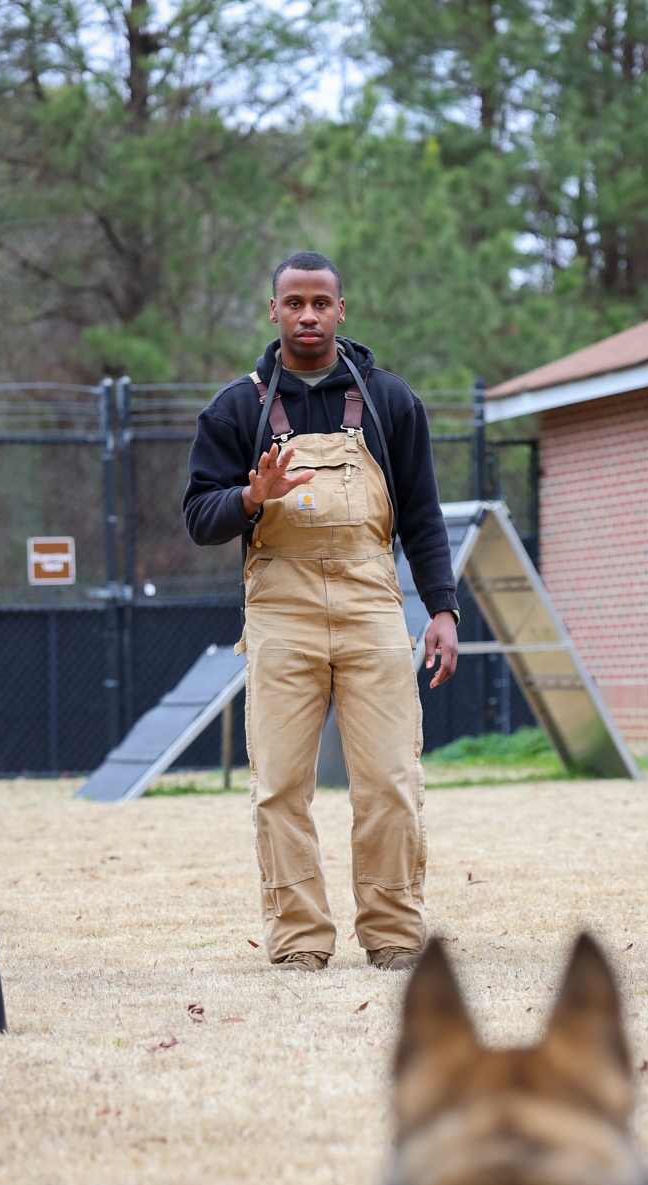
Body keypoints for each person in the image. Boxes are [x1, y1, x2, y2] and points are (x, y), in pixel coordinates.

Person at [183, 250, 459, 973]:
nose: (309, 315)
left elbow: (423, 514)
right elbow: (198, 517)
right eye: (295, 303)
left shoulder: (391, 400)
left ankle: (395, 934)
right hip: (281, 608)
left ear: (342, 310)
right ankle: (300, 940)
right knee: (279, 787)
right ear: (273, 311)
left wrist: (443, 608)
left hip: (373, 603)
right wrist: (250, 498)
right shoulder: (236, 409)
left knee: (392, 781)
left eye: (322, 303)